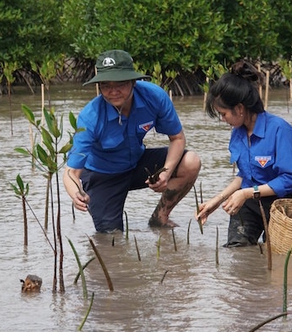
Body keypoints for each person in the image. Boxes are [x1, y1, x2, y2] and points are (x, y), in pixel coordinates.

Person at [63, 49, 201, 233]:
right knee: (110, 239)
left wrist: (165, 173)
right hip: (102, 175)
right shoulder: (91, 117)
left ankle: (160, 218)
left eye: (120, 84)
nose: (113, 92)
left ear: (133, 81)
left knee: (191, 162)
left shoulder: (154, 97)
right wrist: (76, 194)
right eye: (105, 85)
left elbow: (177, 138)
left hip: (137, 163)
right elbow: (71, 172)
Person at [195, 61, 292, 247]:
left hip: (278, 205)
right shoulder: (237, 132)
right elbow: (244, 176)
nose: (222, 119)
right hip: (248, 204)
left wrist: (247, 193)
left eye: (224, 114)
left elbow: (289, 179)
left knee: (277, 256)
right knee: (238, 252)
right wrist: (217, 201)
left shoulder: (279, 130)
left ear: (240, 109)